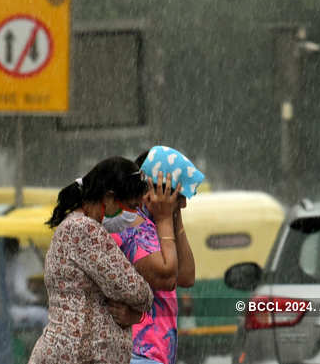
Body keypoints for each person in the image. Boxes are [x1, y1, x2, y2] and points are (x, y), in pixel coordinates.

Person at [28, 156, 154, 364]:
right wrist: (138, 305)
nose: (134, 216)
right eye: (132, 207)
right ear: (109, 198)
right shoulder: (86, 229)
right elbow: (138, 293)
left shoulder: (74, 226)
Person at [102, 146, 205, 364]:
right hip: (137, 353)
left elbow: (186, 276)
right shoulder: (131, 225)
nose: (184, 203)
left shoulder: (157, 223)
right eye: (179, 195)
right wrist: (165, 219)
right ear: (154, 191)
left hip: (155, 355)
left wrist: (172, 216)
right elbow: (167, 278)